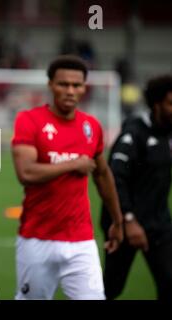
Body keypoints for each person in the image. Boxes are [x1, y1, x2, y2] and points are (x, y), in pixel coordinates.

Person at [11, 55, 124, 300]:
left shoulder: (91, 126)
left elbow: (103, 174)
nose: (71, 91)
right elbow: (26, 172)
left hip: (81, 240)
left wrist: (117, 220)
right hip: (37, 239)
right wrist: (73, 163)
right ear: (51, 84)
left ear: (84, 87)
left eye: (77, 85)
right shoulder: (29, 120)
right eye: (63, 84)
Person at [101, 75, 172, 300]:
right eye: (171, 103)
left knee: (169, 282)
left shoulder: (168, 133)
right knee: (111, 288)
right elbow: (114, 177)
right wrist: (128, 220)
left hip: (158, 224)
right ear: (156, 103)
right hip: (122, 224)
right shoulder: (133, 133)